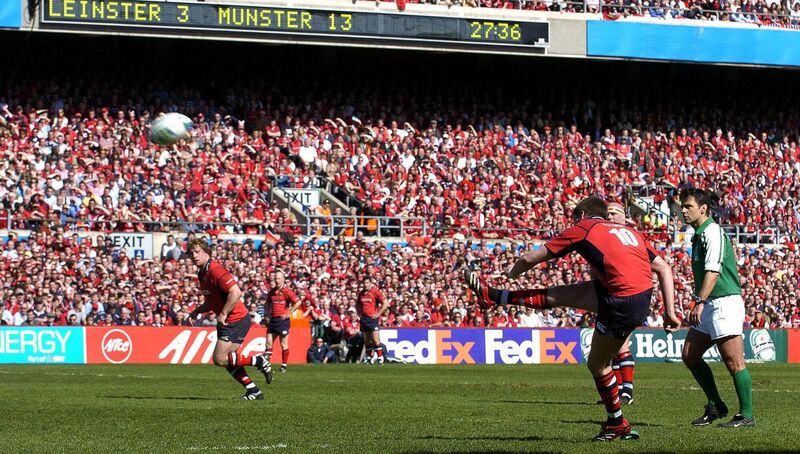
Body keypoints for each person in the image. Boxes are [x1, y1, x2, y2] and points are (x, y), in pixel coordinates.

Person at [465, 197, 678, 442]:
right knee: (560, 295)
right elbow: (663, 267)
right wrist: (669, 312)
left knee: (597, 365)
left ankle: (617, 422)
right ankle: (493, 296)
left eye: (574, 218)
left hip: (620, 300)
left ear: (582, 214)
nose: (572, 222)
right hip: (632, 293)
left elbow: (530, 259)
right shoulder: (630, 232)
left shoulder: (584, 227)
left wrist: (511, 272)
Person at [678, 188, 754, 428]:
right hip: (710, 303)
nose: (683, 211)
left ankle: (746, 415)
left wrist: (698, 301)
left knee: (734, 362)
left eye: (688, 206)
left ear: (703, 209)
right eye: (682, 206)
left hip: (724, 303)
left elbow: (713, 272)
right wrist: (699, 301)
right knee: (690, 355)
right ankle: (716, 405)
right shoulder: (698, 235)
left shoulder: (712, 232)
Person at [186, 238, 270, 400]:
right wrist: (196, 311)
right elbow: (211, 301)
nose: (194, 256)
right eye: (191, 253)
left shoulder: (215, 270)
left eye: (197, 252)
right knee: (228, 360)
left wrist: (223, 314)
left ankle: (259, 361)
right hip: (232, 319)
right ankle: (253, 390)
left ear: (206, 252)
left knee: (220, 358)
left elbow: (236, 292)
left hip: (235, 318)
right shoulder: (202, 273)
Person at [603, 202, 636, 405]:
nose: (609, 217)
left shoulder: (626, 236)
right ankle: (617, 391)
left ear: (623, 216)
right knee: (610, 347)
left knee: (620, 343)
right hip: (611, 294)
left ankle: (627, 392)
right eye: (607, 214)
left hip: (626, 294)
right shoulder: (609, 235)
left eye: (613, 213)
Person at [264, 270, 302, 377]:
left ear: (283, 279)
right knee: (268, 342)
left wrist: (289, 312)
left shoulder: (287, 291)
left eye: (279, 278)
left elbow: (298, 302)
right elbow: (267, 303)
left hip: (282, 321)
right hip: (273, 320)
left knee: (283, 343)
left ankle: (284, 365)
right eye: (275, 278)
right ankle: (266, 365)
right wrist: (268, 314)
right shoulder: (272, 292)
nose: (277, 280)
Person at [355, 275, 390, 365]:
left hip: (373, 319)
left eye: (367, 283)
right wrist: (359, 313)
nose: (365, 285)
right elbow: (358, 304)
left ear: (371, 283)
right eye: (364, 283)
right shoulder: (361, 293)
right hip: (364, 319)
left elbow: (386, 303)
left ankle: (380, 358)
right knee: (367, 340)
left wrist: (378, 314)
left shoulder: (375, 292)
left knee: (375, 339)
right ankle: (369, 358)